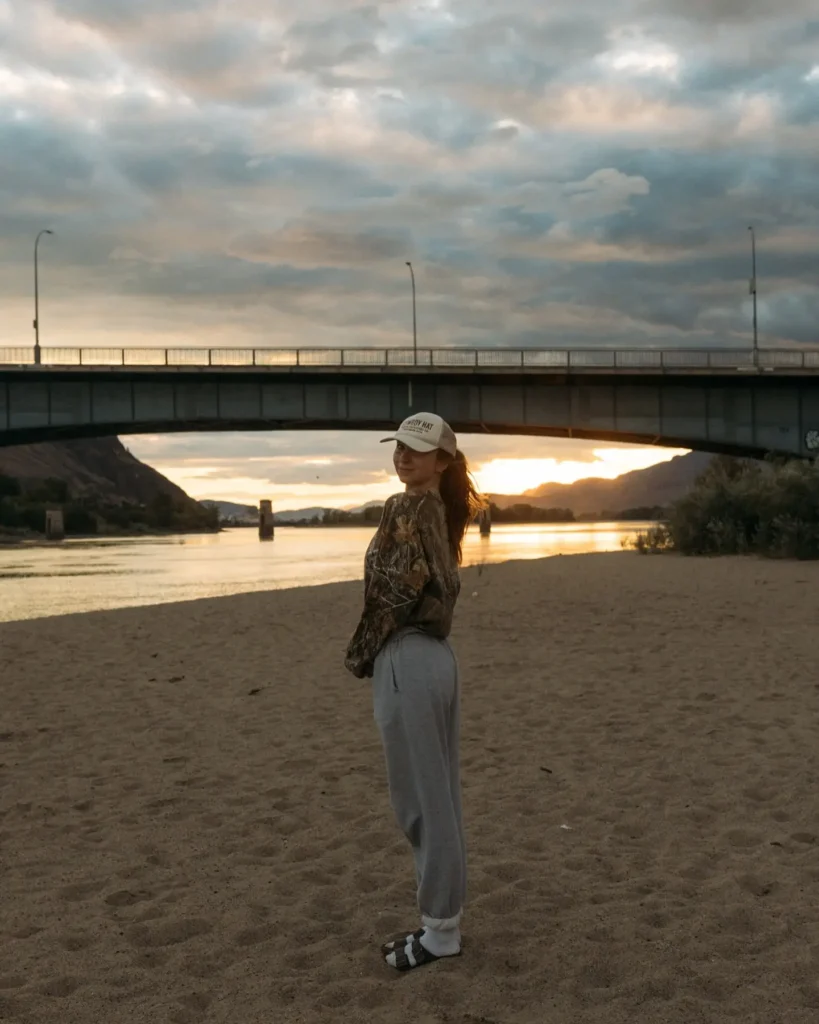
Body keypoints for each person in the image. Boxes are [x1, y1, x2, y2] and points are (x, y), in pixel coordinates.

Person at [345, 412, 485, 971]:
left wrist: (360, 657)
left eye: (418, 449)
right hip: (437, 660)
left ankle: (440, 931)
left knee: (419, 802)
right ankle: (441, 922)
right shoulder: (439, 510)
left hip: (407, 655)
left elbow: (392, 598)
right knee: (439, 794)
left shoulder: (405, 507)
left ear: (443, 460)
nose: (404, 456)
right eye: (400, 446)